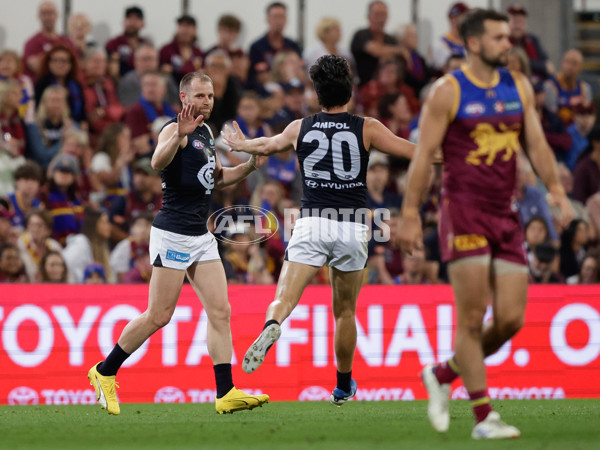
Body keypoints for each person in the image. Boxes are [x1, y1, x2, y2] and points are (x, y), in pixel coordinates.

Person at [397, 9, 573, 439]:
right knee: (472, 319)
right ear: (473, 43)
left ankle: (442, 373)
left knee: (511, 319)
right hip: (464, 212)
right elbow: (423, 157)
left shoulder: (519, 86)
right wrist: (408, 213)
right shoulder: (447, 92)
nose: (507, 43)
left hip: (506, 213)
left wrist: (556, 191)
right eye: (497, 38)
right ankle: (483, 417)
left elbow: (536, 143)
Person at [221, 54, 414, 405]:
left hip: (310, 222)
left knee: (284, 297)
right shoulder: (366, 126)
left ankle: (272, 325)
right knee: (344, 312)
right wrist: (451, 152)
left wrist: (240, 145)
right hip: (353, 226)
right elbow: (411, 151)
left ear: (316, 93)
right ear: (350, 92)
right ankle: (343, 386)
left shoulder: (300, 127)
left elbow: (266, 145)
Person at [87, 71, 270, 415]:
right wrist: (177, 137)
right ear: (184, 98)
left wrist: (249, 165)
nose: (206, 102)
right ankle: (104, 371)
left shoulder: (206, 132)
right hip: (172, 233)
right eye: (200, 96)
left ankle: (225, 391)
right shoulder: (176, 129)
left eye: (211, 96)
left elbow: (214, 178)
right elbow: (157, 162)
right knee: (159, 315)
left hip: (200, 236)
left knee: (220, 311)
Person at [350, 1, 402, 87]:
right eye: (377, 14)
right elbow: (377, 51)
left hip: (388, 88)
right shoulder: (361, 35)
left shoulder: (391, 39)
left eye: (383, 15)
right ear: (369, 17)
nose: (381, 19)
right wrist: (397, 50)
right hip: (365, 89)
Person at [431, 2, 469, 71]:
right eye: (464, 16)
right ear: (453, 19)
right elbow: (446, 71)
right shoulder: (440, 45)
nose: (468, 21)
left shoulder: (469, 42)